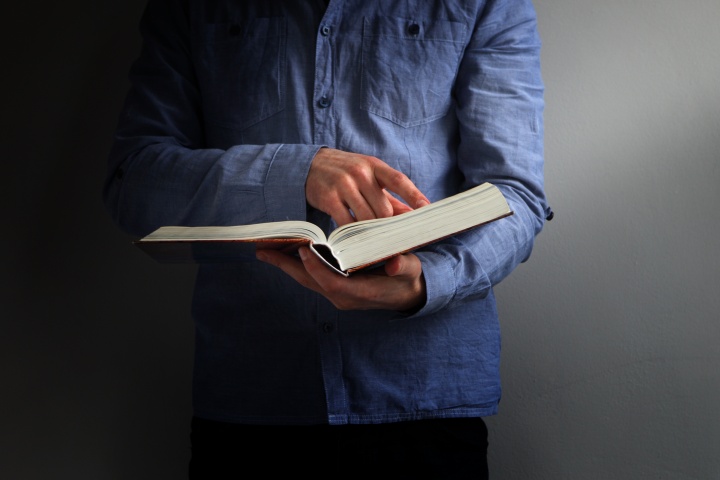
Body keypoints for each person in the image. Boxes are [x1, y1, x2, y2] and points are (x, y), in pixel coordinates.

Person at [104, 0, 551, 478]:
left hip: (427, 403)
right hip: (251, 404)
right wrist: (294, 172)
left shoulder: (487, 4)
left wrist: (428, 281)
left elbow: (516, 195)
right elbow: (135, 183)